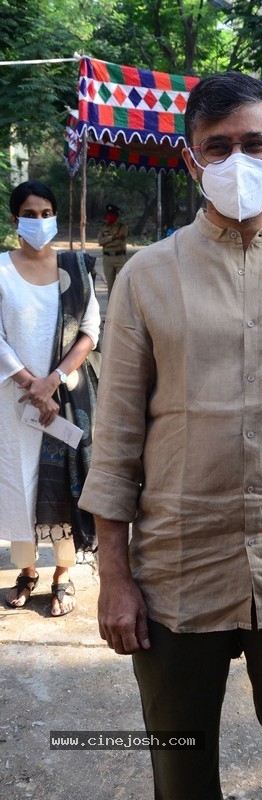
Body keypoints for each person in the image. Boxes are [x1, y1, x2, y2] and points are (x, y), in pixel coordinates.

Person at [79, 71, 262, 800]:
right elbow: (114, 438)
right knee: (181, 778)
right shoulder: (147, 277)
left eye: (254, 144)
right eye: (218, 147)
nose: (237, 161)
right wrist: (115, 577)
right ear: (192, 161)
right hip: (177, 569)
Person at [0, 180, 100, 616]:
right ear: (14, 220)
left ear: (55, 217)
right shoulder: (1, 269)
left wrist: (53, 380)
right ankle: (26, 570)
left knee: (65, 484)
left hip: (66, 397)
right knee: (18, 483)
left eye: (46, 214)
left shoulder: (75, 268)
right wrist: (31, 384)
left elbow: (90, 331)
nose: (39, 221)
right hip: (14, 401)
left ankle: (62, 574)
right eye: (29, 214)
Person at [97, 203, 128, 297]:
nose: (110, 217)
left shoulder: (122, 226)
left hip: (120, 257)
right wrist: (113, 237)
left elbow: (121, 238)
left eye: (112, 215)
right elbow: (100, 241)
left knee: (124, 283)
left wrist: (107, 240)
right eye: (108, 214)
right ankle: (111, 305)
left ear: (116, 215)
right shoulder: (104, 226)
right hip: (107, 258)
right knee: (110, 286)